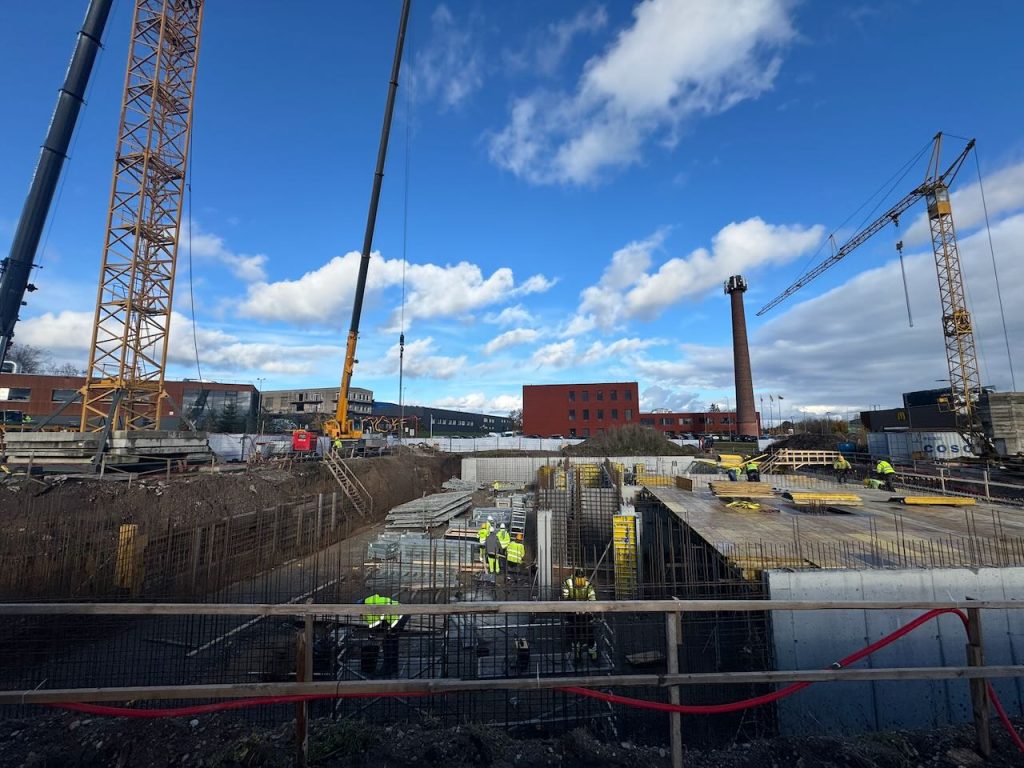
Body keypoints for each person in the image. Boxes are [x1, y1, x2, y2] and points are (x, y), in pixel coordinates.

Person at [561, 568, 598, 662]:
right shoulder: (568, 582)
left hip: (585, 612)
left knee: (589, 632)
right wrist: (574, 606)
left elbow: (592, 597)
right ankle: (577, 652)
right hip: (573, 612)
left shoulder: (587, 583)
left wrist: (589, 608)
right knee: (575, 633)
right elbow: (565, 597)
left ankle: (592, 651)